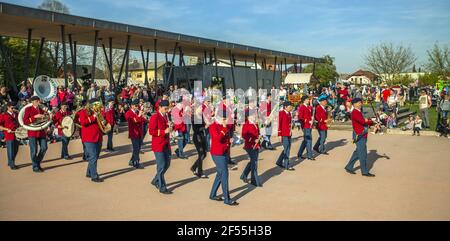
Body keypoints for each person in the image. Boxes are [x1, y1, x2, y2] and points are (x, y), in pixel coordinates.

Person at [209, 111, 238, 206]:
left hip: (224, 152)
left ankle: (213, 194)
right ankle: (227, 198)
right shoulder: (213, 126)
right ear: (218, 118)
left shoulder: (222, 125)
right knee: (224, 174)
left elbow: (224, 139)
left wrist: (229, 141)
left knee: (220, 174)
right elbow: (218, 139)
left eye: (225, 119)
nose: (225, 121)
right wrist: (224, 129)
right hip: (217, 153)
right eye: (224, 119)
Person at [345, 98, 376, 177]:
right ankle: (364, 171)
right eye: (358, 103)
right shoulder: (355, 112)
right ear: (354, 104)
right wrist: (372, 121)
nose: (360, 104)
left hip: (362, 134)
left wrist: (370, 121)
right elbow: (363, 121)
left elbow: (364, 121)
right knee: (363, 154)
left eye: (360, 103)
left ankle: (349, 166)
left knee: (358, 152)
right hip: (359, 135)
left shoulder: (358, 112)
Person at [149, 100, 172, 194]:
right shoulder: (155, 117)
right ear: (160, 107)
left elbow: (165, 127)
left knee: (167, 164)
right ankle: (162, 187)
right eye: (165, 109)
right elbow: (151, 131)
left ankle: (155, 180)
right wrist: (164, 132)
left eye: (168, 109)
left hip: (166, 144)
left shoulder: (165, 116)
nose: (167, 111)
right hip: (158, 145)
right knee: (161, 166)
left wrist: (170, 126)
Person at [79, 98, 103, 183]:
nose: (97, 106)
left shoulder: (98, 111)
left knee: (95, 156)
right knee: (93, 156)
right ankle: (94, 176)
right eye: (95, 104)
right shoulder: (83, 112)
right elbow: (83, 122)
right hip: (89, 138)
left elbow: (102, 122)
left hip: (98, 137)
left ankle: (89, 172)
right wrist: (93, 117)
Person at [23, 96, 48, 173]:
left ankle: (37, 162)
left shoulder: (41, 109)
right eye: (37, 101)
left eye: (39, 100)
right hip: (32, 132)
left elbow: (47, 118)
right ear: (33, 102)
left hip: (41, 132)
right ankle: (35, 166)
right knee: (34, 151)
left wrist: (46, 114)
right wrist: (35, 116)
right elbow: (25, 121)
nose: (39, 102)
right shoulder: (28, 109)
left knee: (44, 147)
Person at [240, 109, 262, 187]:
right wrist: (253, 139)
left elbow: (257, 133)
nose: (255, 116)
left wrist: (259, 136)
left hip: (256, 145)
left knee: (253, 162)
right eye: (253, 115)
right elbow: (244, 136)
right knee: (254, 163)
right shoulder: (246, 124)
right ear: (248, 116)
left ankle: (244, 175)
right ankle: (254, 181)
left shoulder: (255, 123)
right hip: (250, 146)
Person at [125, 99, 145, 169]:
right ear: (132, 106)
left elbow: (142, 120)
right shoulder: (128, 113)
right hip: (134, 133)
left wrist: (145, 116)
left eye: (138, 105)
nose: (137, 107)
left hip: (139, 133)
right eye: (136, 106)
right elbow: (134, 121)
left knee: (138, 148)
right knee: (136, 148)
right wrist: (139, 115)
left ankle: (131, 160)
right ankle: (136, 162)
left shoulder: (137, 112)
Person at [190, 98, 208, 178]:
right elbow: (195, 129)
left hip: (202, 135)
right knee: (201, 154)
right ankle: (199, 172)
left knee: (204, 154)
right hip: (197, 137)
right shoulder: (194, 117)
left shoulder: (201, 116)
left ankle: (194, 167)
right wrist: (205, 127)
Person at [276, 101, 295, 170]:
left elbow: (289, 124)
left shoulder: (289, 113)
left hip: (289, 133)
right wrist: (279, 135)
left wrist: (292, 125)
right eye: (290, 107)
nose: (291, 108)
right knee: (287, 149)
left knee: (287, 148)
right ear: (285, 107)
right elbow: (279, 124)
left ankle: (279, 161)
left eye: (291, 106)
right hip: (283, 134)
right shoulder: (281, 113)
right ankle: (287, 165)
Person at [0, 102, 19, 170]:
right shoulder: (3, 115)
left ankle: (10, 162)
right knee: (10, 150)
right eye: (12, 108)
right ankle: (12, 164)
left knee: (16, 149)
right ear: (8, 107)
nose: (13, 109)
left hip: (17, 134)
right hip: (8, 135)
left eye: (14, 107)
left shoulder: (16, 114)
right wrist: (6, 129)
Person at [297, 95, 315, 161]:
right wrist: (308, 121)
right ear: (304, 100)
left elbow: (310, 116)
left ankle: (299, 153)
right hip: (305, 125)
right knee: (309, 140)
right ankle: (309, 155)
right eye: (307, 99)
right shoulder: (302, 107)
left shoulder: (310, 107)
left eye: (309, 99)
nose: (308, 100)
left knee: (305, 140)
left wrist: (312, 120)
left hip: (309, 125)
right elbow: (300, 117)